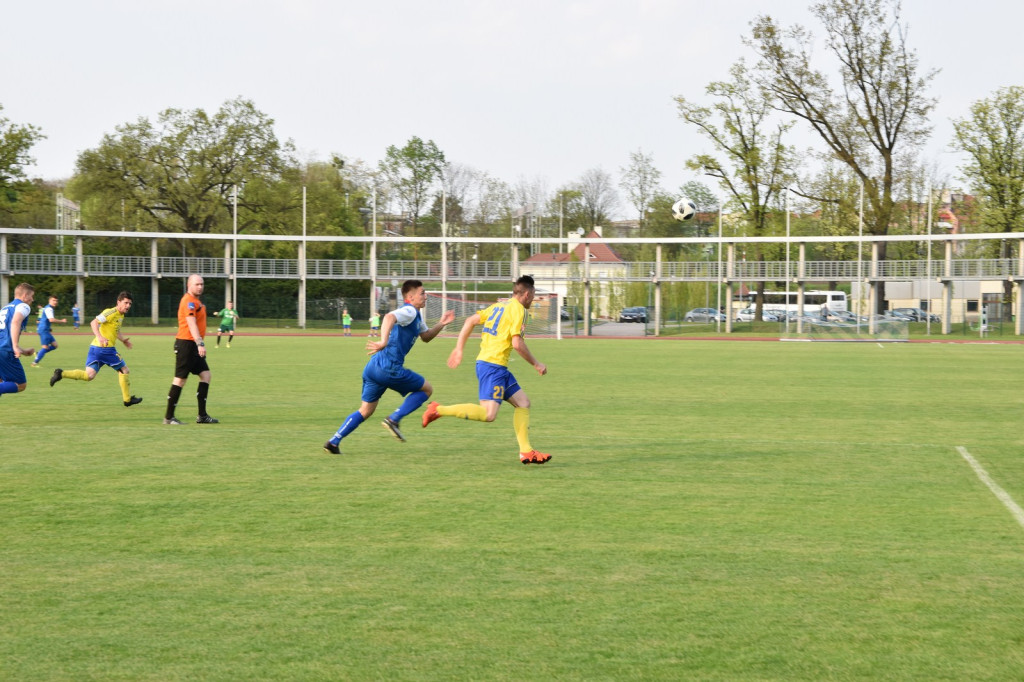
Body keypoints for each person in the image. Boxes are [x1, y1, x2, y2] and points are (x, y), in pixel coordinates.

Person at [422, 275, 551, 465]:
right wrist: (536, 363)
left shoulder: (499, 306)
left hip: (495, 366)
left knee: (523, 403)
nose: (532, 299)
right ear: (527, 293)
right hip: (493, 366)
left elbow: (470, 321)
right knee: (489, 414)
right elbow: (517, 342)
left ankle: (526, 452)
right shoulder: (519, 311)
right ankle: (438, 409)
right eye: (532, 295)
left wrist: (459, 349)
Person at [323, 280, 455, 455]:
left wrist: (441, 323)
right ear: (410, 297)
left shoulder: (416, 316)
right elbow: (389, 317)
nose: (426, 296)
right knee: (427, 390)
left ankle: (333, 442)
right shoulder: (408, 311)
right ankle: (394, 419)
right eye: (422, 293)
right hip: (389, 368)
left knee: (366, 410)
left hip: (373, 368)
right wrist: (383, 340)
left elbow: (426, 336)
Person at [49, 291, 142, 407]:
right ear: (118, 302)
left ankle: (61, 374)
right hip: (106, 349)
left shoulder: (120, 315)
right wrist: (100, 337)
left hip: (95, 348)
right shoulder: (111, 312)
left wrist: (123, 340)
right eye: (126, 303)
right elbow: (93, 322)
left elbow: (115, 330)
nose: (128, 306)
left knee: (89, 375)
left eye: (130, 304)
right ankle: (127, 400)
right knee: (124, 370)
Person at [164, 274, 218, 425]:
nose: (200, 287)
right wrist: (200, 343)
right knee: (180, 380)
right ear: (189, 285)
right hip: (186, 344)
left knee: (206, 375)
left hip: (193, 345)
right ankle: (168, 418)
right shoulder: (188, 301)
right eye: (197, 284)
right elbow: (191, 323)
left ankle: (202, 416)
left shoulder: (195, 301)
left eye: (201, 284)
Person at [0, 283, 37, 398]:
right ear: (25, 295)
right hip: (5, 351)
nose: (32, 299)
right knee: (20, 384)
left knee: (2, 382)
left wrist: (23, 351)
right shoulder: (23, 306)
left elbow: (5, 335)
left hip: (3, 348)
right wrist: (15, 346)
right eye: (31, 296)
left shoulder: (5, 308)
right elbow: (15, 322)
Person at [31, 295, 67, 367]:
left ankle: (39, 353)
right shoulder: (49, 309)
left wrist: (48, 327)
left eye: (56, 301)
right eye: (53, 300)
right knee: (45, 347)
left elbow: (44, 319)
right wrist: (62, 321)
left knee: (55, 345)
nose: (55, 302)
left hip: (45, 329)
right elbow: (51, 320)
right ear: (49, 301)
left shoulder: (48, 308)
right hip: (44, 330)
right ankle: (34, 363)